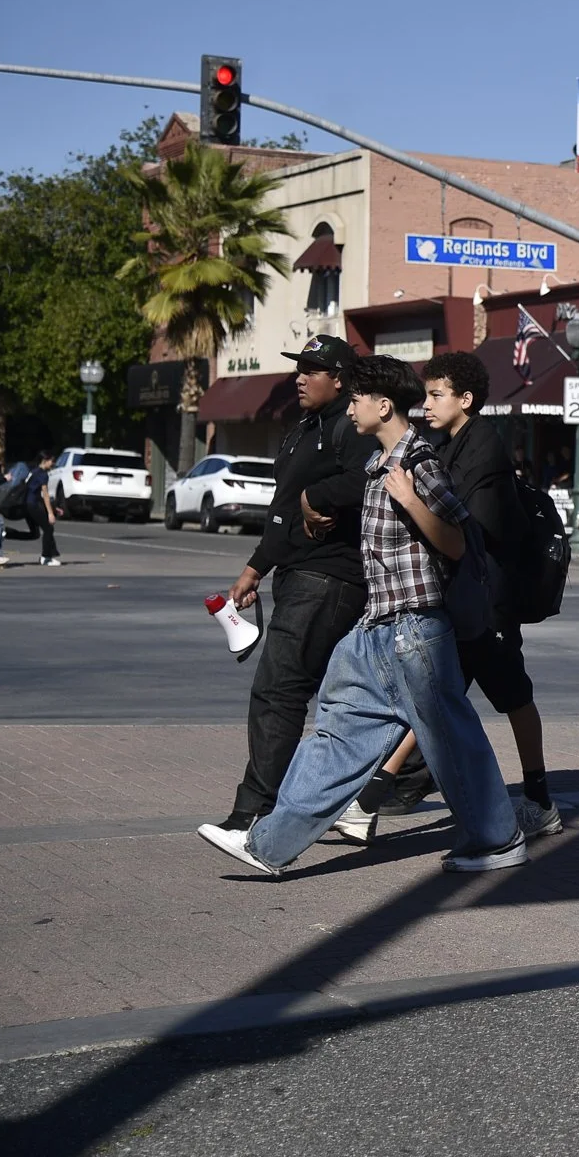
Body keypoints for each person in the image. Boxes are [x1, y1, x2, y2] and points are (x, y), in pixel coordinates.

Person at [197, 354, 526, 876]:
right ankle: (267, 844)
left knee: (450, 742)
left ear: (384, 404)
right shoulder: (377, 466)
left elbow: (460, 543)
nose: (350, 407)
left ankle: (498, 840)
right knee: (336, 733)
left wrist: (413, 503)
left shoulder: (419, 464)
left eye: (356, 399)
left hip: (418, 630)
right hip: (376, 630)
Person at [359, 351, 559, 842]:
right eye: (426, 394)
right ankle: (370, 798)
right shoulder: (449, 444)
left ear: (465, 400)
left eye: (436, 395)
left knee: (512, 696)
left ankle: (538, 800)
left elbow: (468, 527)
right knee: (434, 696)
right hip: (463, 597)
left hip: (488, 599)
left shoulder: (483, 448)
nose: (427, 404)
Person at [212, 336, 378, 833]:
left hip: (330, 577)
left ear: (341, 379)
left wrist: (317, 494)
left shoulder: (352, 426)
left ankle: (254, 812)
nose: (300, 378)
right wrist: (256, 567)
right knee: (349, 699)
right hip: (296, 574)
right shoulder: (303, 427)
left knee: (277, 691)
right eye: (299, 368)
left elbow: (373, 476)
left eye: (313, 369)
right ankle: (367, 795)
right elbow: (285, 506)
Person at [0, 451, 62, 566]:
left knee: (34, 534)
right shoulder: (43, 474)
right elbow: (45, 495)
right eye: (52, 461)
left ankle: (6, 534)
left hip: (26, 505)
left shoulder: (33, 471)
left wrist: (53, 508)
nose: (53, 464)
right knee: (48, 529)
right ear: (45, 461)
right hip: (32, 505)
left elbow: (35, 493)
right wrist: (50, 513)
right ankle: (46, 557)